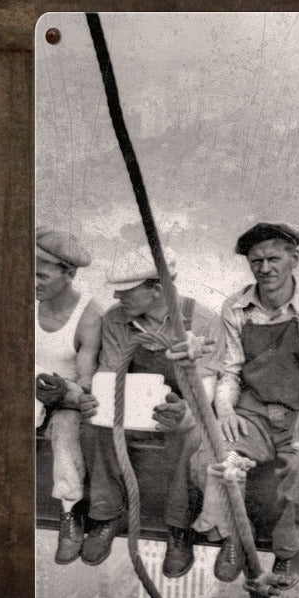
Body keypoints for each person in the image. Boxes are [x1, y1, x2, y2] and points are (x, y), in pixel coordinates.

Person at [191, 222, 299, 591]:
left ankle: (287, 549)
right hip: (253, 412)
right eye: (256, 261)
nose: (265, 268)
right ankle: (234, 535)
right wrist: (227, 411)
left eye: (273, 259)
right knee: (212, 459)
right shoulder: (236, 307)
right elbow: (230, 372)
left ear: (293, 259)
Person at [79, 245, 222, 574]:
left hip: (185, 405)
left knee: (193, 436)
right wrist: (101, 400)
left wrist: (185, 412)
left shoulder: (202, 321)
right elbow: (110, 374)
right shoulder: (117, 319)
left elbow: (207, 385)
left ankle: (178, 527)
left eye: (127, 290)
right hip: (134, 400)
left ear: (157, 289)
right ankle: (105, 515)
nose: (118, 296)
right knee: (95, 422)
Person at [35, 228, 102, 564]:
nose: (33, 283)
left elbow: (87, 379)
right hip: (24, 391)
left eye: (41, 275)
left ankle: (70, 511)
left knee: (64, 433)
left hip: (66, 396)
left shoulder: (88, 315)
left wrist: (65, 392)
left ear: (69, 273)